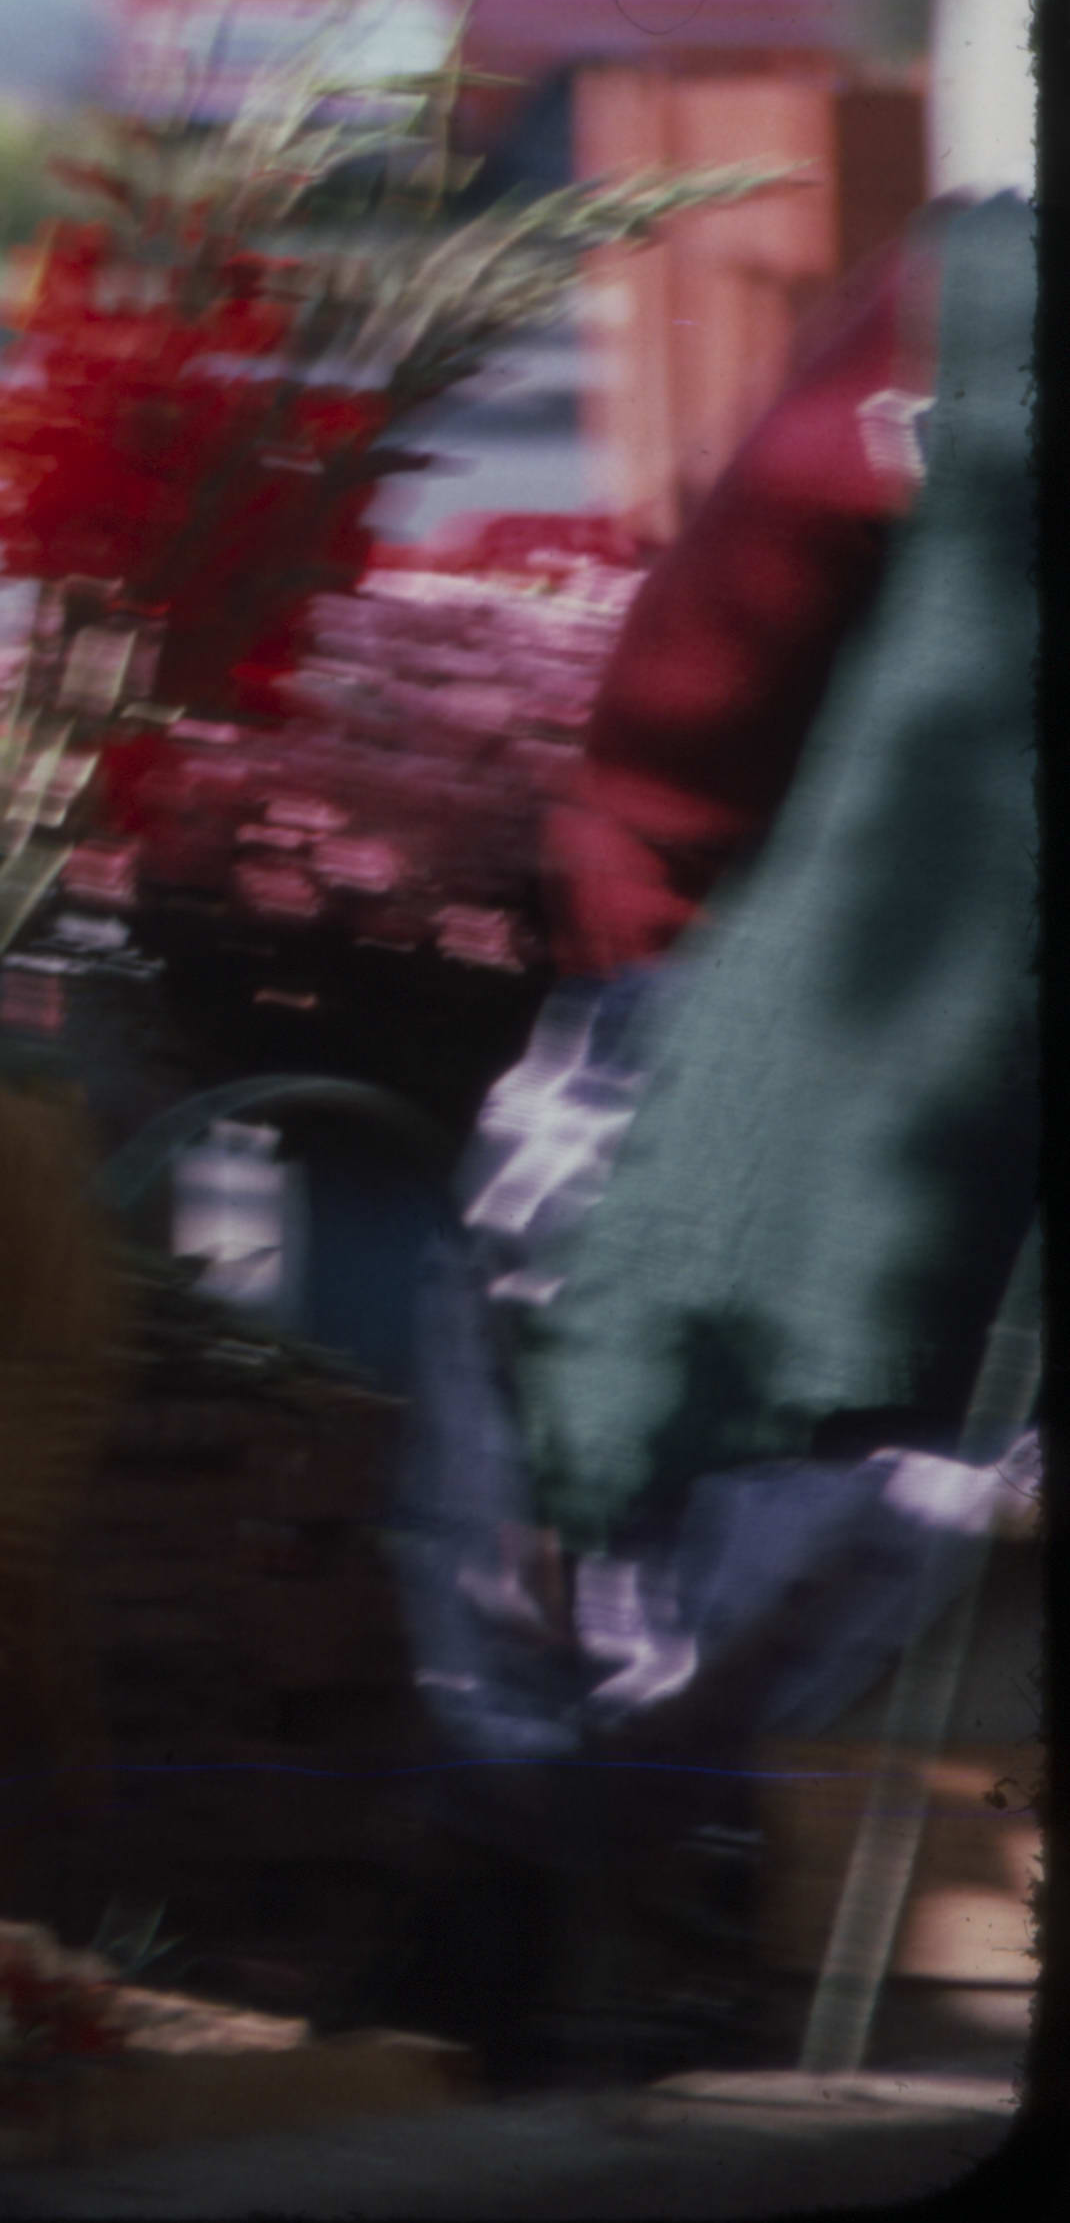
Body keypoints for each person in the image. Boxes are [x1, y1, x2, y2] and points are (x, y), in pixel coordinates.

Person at [384, 192, 1040, 2075]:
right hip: (910, 1130)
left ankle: (535, 1894)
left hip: (893, 1122)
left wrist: (671, 965)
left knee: (595, 1275)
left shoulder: (983, 304)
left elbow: (684, 726)